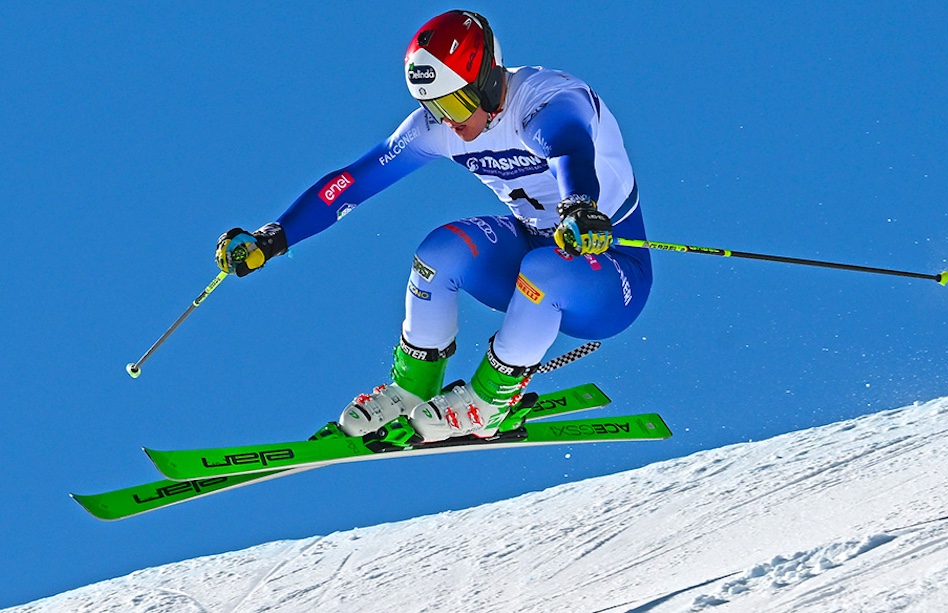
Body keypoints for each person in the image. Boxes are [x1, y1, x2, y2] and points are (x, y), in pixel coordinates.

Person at [216, 10, 653, 443]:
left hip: (608, 271)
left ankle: (491, 402)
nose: (449, 122)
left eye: (455, 103)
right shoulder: (441, 126)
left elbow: (567, 147)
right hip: (533, 244)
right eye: (433, 106)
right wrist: (275, 237)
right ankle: (412, 388)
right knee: (440, 251)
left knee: (544, 269)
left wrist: (580, 206)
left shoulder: (547, 98)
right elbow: (355, 180)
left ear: (487, 79)